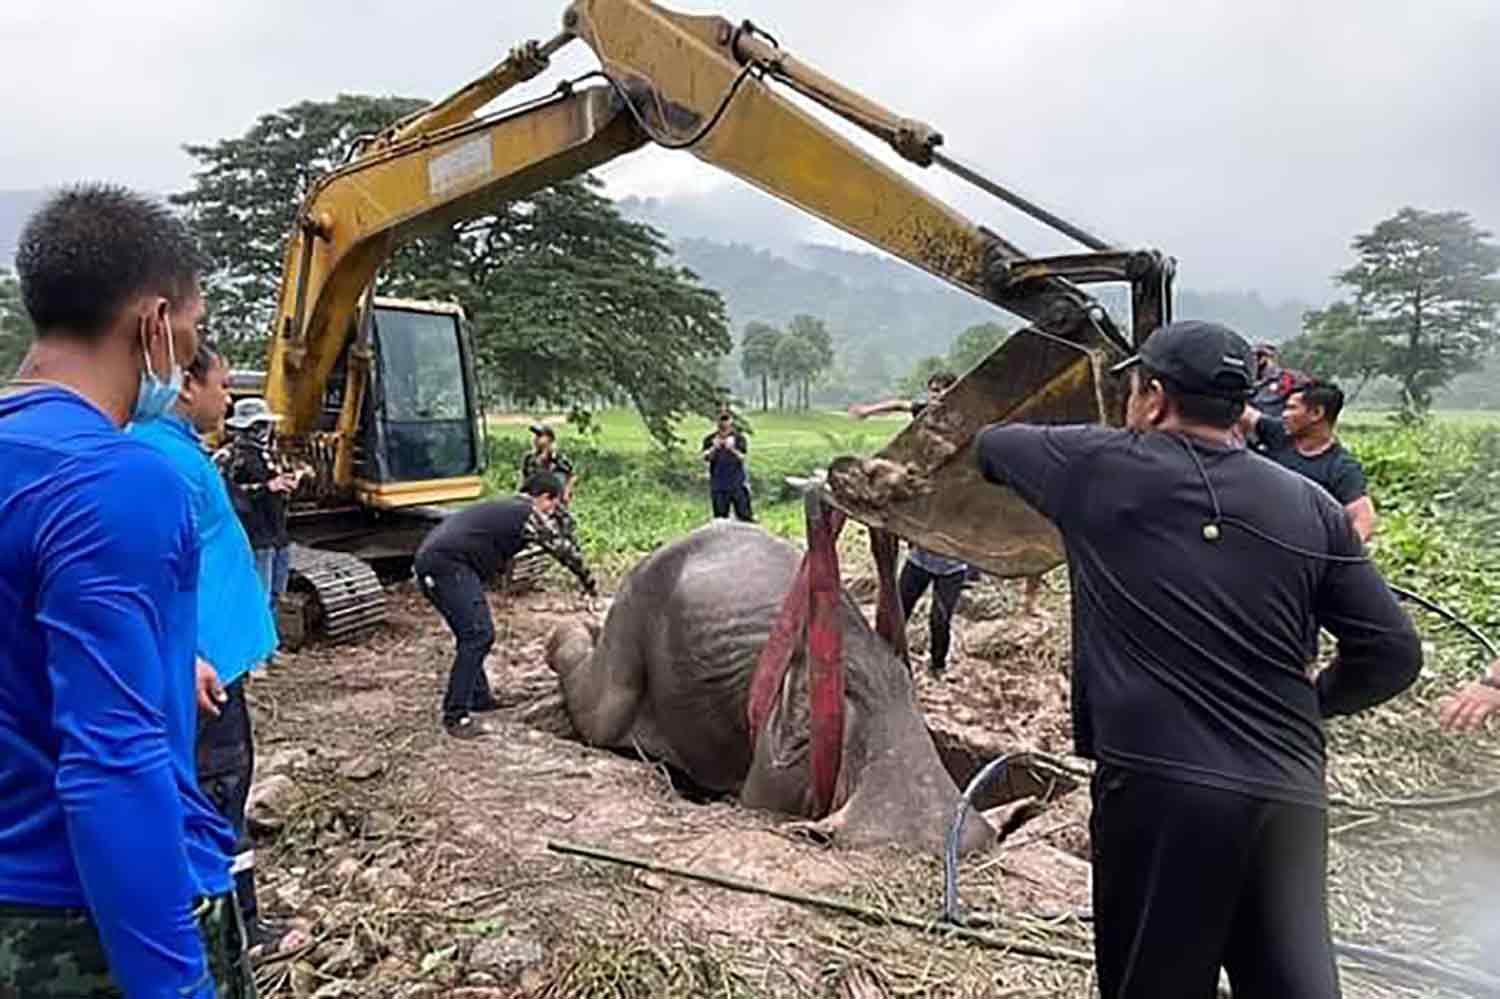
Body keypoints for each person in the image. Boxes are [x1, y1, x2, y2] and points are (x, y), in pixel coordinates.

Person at [976, 319, 1421, 999]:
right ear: (1242, 404)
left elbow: (991, 445)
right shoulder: (1310, 504)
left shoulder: (1096, 466)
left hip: (1163, 793)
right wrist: (1312, 699)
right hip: (1289, 793)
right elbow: (1393, 653)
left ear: (1152, 398)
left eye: (1134, 388)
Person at [0, 185, 249, 997]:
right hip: (77, 923)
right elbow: (111, 763)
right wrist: (175, 983)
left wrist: (162, 661)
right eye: (194, 326)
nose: (191, 350)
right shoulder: (115, 480)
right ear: (152, 322)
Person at [131, 345, 296, 959]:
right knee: (218, 794)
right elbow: (151, 574)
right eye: (222, 385)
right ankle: (233, 929)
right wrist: (187, 656)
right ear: (185, 387)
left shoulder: (177, 448)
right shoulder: (160, 459)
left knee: (224, 786)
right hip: (203, 672)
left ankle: (229, 916)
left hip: (214, 661)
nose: (228, 398)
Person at [850, 371, 1041, 671]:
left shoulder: (970, 427)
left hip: (952, 564)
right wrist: (867, 411)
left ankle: (937, 666)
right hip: (920, 557)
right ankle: (883, 660)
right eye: (933, 391)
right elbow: (901, 405)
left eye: (944, 390)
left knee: (940, 619)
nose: (938, 395)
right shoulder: (926, 421)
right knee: (898, 609)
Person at [414, 473, 598, 738]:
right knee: (479, 635)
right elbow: (562, 548)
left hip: (435, 564)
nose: (552, 512)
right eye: (553, 505)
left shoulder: (509, 508)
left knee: (471, 635)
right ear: (545, 497)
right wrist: (589, 585)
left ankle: (479, 698)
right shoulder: (526, 513)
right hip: (448, 566)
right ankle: (456, 716)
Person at [1240, 380, 1377, 542]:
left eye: (1292, 408)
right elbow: (1247, 415)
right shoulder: (1278, 434)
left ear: (1316, 413)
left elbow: (1363, 518)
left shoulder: (1341, 467)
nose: (1284, 414)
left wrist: (1341, 555)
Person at [225, 396, 309, 606]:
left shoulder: (269, 455)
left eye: (265, 425)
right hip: (255, 537)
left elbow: (287, 478)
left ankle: (271, 635)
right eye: (259, 425)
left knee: (275, 595)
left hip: (276, 534)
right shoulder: (231, 457)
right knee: (258, 598)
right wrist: (264, 488)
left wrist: (291, 481)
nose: (265, 430)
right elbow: (224, 494)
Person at [521, 422, 577, 539]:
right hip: (535, 498)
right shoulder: (530, 458)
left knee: (560, 525)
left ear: (550, 439)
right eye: (535, 436)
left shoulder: (558, 458)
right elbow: (525, 478)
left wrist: (567, 493)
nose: (536, 439)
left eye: (540, 436)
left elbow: (571, 476)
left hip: (553, 499)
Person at [702, 410, 754, 521]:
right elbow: (706, 457)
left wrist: (732, 449)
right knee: (720, 519)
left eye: (726, 419)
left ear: (731, 421)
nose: (724, 423)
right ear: (717, 422)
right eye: (722, 420)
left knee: (745, 517)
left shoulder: (739, 438)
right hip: (719, 485)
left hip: (737, 484)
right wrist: (714, 448)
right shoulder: (710, 439)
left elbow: (742, 457)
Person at [1249, 342, 1308, 422]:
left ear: (1263, 359)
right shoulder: (1249, 380)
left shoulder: (1288, 378)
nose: (1250, 362)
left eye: (1253, 357)